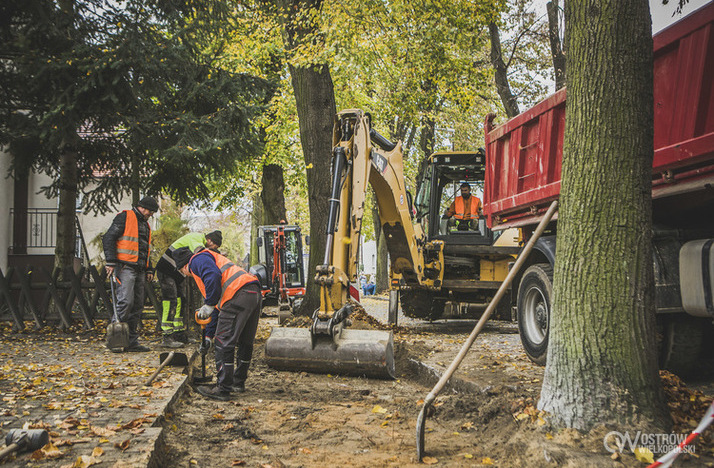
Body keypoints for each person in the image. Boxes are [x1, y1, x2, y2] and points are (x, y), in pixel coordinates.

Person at [173, 246, 262, 401]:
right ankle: (237, 382)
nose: (186, 276)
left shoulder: (196, 260)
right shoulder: (210, 261)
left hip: (237, 294)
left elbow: (212, 278)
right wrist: (208, 336)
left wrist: (208, 303)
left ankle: (223, 388)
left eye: (182, 272)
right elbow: (215, 309)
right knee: (245, 341)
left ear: (184, 266)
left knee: (223, 342)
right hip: (252, 292)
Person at [102, 196, 158, 352]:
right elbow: (108, 238)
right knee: (125, 302)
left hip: (139, 268)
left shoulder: (145, 225)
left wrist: (148, 268)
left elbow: (144, 249)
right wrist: (111, 262)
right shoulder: (125, 217)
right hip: (125, 266)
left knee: (138, 305)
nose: (151, 214)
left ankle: (131, 341)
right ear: (143, 208)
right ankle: (115, 340)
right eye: (150, 211)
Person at [155, 230, 223, 348]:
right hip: (166, 270)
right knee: (170, 301)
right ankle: (167, 336)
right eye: (214, 246)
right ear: (209, 240)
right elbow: (199, 252)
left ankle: (179, 334)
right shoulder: (196, 237)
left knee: (181, 300)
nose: (212, 248)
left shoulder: (199, 240)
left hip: (176, 273)